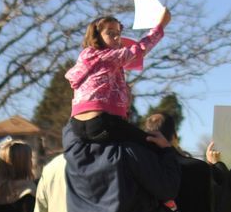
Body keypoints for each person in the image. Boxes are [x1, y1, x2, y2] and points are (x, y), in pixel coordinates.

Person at [65, 11, 169, 142]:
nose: (116, 38)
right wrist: (161, 25)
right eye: (110, 33)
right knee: (154, 143)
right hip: (102, 121)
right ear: (97, 36)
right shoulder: (105, 55)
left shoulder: (87, 59)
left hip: (77, 124)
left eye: (118, 34)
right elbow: (140, 50)